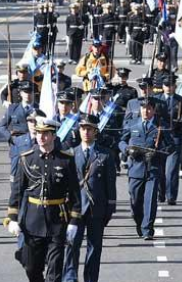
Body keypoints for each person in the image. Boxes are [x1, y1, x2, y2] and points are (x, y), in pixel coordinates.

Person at [6, 118, 82, 282]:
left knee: (54, 272)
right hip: (33, 222)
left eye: (45, 133)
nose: (41, 137)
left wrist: (74, 222)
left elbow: (75, 194)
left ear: (54, 135)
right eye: (39, 133)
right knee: (31, 267)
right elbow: (17, 192)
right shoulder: (27, 159)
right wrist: (12, 218)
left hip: (57, 220)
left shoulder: (66, 160)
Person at [63, 115, 117, 282]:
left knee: (94, 249)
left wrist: (110, 207)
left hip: (96, 208)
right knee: (71, 246)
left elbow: (110, 184)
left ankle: (91, 279)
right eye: (83, 128)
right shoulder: (70, 153)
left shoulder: (105, 155)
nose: (86, 132)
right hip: (75, 209)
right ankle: (70, 278)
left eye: (89, 129)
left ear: (95, 131)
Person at [119, 97, 168, 240]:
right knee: (135, 202)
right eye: (143, 108)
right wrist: (127, 150)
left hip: (153, 168)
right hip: (135, 169)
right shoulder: (132, 124)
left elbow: (171, 146)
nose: (145, 111)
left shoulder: (160, 126)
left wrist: (158, 152)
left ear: (153, 110)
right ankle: (139, 223)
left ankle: (148, 229)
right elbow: (121, 140)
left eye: (148, 108)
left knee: (150, 200)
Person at [158, 76, 182, 204]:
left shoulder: (181, 101)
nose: (168, 88)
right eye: (166, 85)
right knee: (159, 169)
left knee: (171, 169)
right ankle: (160, 194)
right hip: (159, 139)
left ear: (175, 87)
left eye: (171, 85)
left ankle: (171, 196)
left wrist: (180, 123)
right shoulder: (157, 99)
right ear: (162, 87)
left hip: (174, 137)